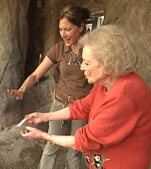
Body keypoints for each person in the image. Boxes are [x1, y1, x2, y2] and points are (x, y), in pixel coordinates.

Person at [20, 25, 151, 169]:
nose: (82, 67)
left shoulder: (124, 95)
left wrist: (44, 136)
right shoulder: (105, 83)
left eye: (87, 63)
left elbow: (86, 140)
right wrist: (45, 117)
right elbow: (83, 106)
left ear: (107, 65)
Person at [7, 5, 92, 169]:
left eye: (67, 29)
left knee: (75, 150)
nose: (63, 34)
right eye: (61, 29)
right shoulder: (58, 49)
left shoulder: (91, 49)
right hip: (60, 104)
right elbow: (35, 75)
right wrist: (23, 89)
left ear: (81, 26)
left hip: (82, 107)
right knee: (51, 145)